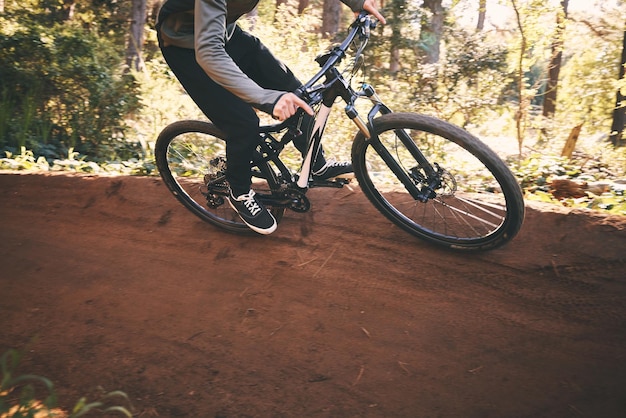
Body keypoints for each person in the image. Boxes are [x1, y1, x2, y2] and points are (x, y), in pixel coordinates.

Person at [156, 0, 385, 234]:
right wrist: (266, 98)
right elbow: (210, 53)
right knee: (242, 121)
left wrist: (356, 2)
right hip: (186, 47)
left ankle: (316, 165)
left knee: (298, 93)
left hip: (224, 33)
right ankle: (239, 191)